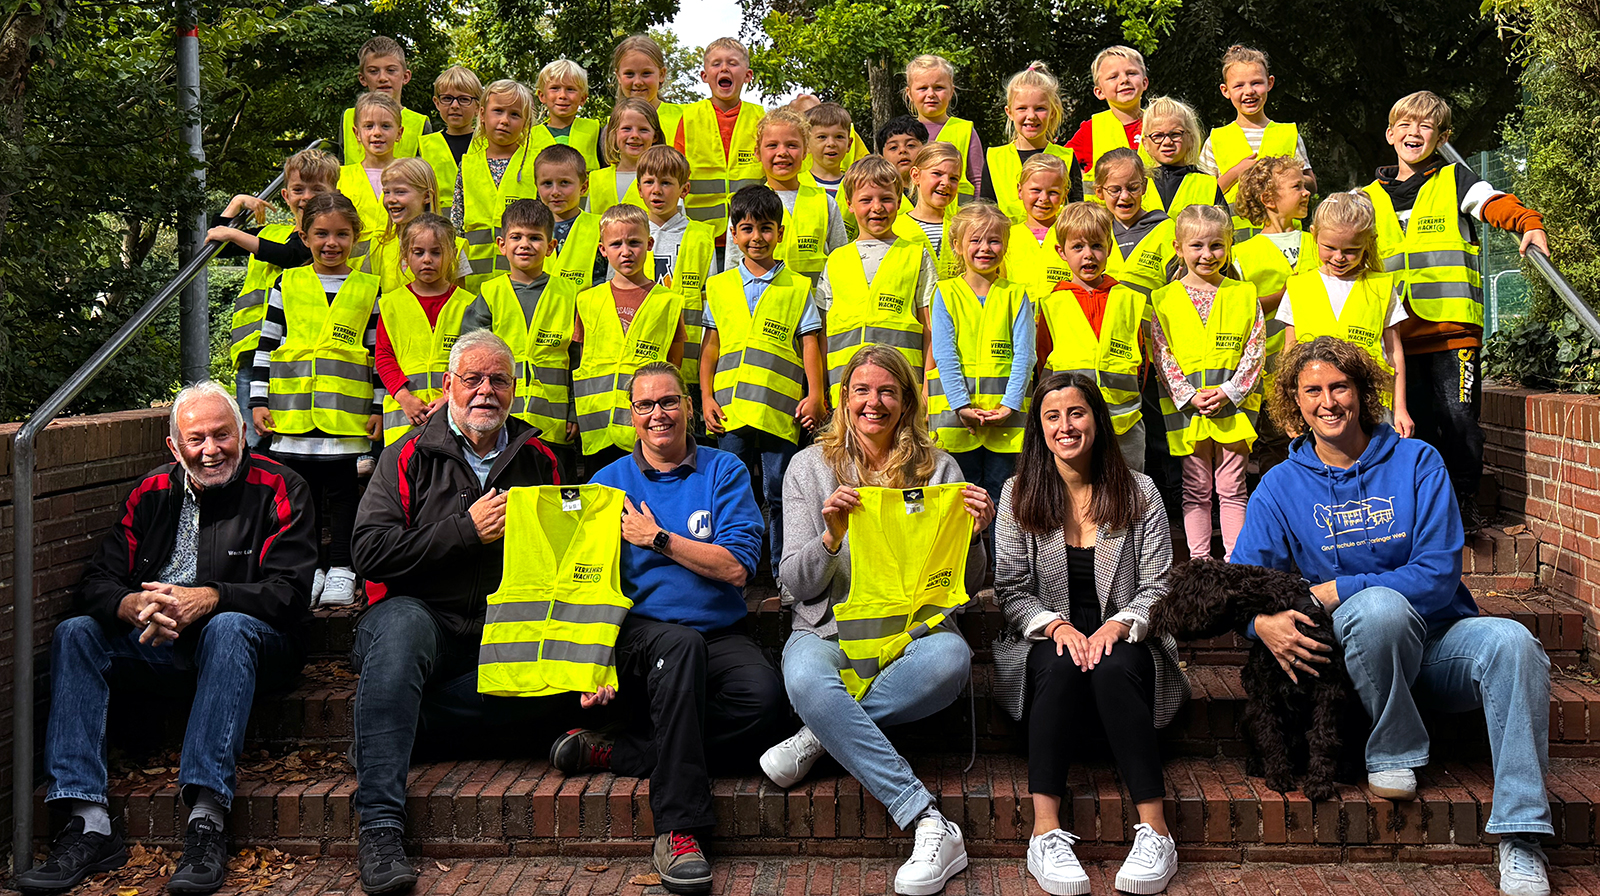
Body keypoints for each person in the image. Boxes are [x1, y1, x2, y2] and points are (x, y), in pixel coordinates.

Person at [1231, 335, 1554, 896]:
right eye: (1312, 391)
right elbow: (1238, 587)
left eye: (1340, 387)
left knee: (1514, 643)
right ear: (1294, 402)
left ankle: (1521, 835)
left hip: (1440, 643)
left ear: (1362, 392)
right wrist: (1260, 625)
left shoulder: (1417, 461)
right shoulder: (1280, 487)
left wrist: (1338, 588)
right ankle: (1394, 749)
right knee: (1377, 609)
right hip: (1361, 659)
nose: (1328, 402)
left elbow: (1437, 574)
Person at [18, 382, 318, 896]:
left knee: (227, 627)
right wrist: (133, 605)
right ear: (174, 447)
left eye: (222, 435)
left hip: (256, 645)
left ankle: (207, 818)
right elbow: (96, 581)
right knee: (76, 633)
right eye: (195, 439)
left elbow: (290, 594)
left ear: (243, 433)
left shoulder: (281, 486)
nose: (210, 450)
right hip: (160, 643)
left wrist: (211, 597)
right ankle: (88, 822)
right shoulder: (152, 491)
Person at [763, 344, 994, 896]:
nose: (875, 402)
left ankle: (819, 735)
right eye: (862, 390)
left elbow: (965, 586)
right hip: (828, 629)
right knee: (805, 677)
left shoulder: (940, 468)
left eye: (888, 391)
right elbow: (795, 582)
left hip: (915, 634)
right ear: (844, 399)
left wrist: (974, 537)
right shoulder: (808, 468)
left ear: (907, 401)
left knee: (952, 658)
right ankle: (924, 816)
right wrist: (830, 538)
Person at [551, 361, 785, 896]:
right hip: (643, 637)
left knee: (765, 704)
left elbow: (738, 567)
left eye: (668, 401)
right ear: (632, 416)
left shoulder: (724, 471)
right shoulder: (607, 484)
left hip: (718, 633)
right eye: (645, 405)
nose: (658, 414)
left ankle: (620, 751)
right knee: (677, 646)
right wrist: (593, 658)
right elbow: (585, 585)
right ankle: (680, 829)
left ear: (688, 407)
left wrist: (657, 539)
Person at [349, 329, 568, 895]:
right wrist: (464, 531)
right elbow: (369, 552)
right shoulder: (406, 455)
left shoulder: (540, 459)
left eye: (498, 380)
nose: (485, 391)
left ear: (514, 389)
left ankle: (399, 727)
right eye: (472, 379)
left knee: (570, 683)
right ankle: (380, 828)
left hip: (501, 631)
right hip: (420, 621)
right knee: (400, 629)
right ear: (448, 385)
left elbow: (563, 558)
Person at [992, 372, 1187, 896]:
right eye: (1052, 416)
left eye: (1076, 413)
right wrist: (1055, 624)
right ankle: (1045, 833)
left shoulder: (1140, 491)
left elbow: (1161, 584)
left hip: (1128, 637)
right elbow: (1010, 587)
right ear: (1039, 427)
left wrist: (1118, 624)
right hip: (1044, 637)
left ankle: (1156, 832)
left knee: (1114, 664)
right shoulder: (1016, 493)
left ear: (1097, 420)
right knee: (1059, 664)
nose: (1066, 426)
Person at [1361, 90, 1549, 532]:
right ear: (1390, 134)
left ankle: (1464, 502)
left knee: (1460, 419)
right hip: (1397, 337)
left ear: (1441, 138)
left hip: (1452, 331)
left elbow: (1495, 203)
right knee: (1415, 426)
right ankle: (1427, 508)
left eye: (1426, 126)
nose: (1414, 132)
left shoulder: (1457, 180)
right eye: (1405, 124)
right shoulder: (1364, 197)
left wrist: (1530, 224)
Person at [249, 192, 384, 607]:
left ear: (355, 237)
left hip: (345, 419)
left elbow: (376, 351)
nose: (331, 243)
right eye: (321, 234)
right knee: (301, 496)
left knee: (343, 496)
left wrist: (378, 407)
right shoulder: (286, 282)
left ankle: (342, 568)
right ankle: (307, 569)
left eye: (342, 234)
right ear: (304, 237)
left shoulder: (368, 288)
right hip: (291, 416)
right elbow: (267, 345)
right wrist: (258, 401)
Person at [701, 184, 827, 574]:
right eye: (747, 229)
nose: (757, 237)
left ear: (780, 233)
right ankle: (736, 566)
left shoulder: (797, 286)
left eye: (766, 228)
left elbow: (810, 344)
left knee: (779, 490)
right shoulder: (719, 287)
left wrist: (816, 395)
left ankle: (783, 572)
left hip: (779, 410)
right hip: (729, 411)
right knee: (733, 489)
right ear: (733, 233)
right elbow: (710, 348)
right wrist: (705, 397)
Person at [1150, 204, 1265, 561]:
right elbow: (1162, 353)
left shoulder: (1244, 293)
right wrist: (1188, 396)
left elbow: (1256, 348)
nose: (1207, 254)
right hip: (1189, 413)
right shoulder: (1164, 299)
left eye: (1216, 245)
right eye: (1197, 245)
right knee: (1196, 488)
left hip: (1234, 410)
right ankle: (1199, 562)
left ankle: (1236, 562)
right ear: (1178, 248)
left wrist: (1229, 392)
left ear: (1229, 246)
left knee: (1233, 487)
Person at [207, 147, 340, 447]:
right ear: (285, 195)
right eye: (298, 190)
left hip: (292, 352)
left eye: (317, 190)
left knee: (285, 432)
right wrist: (236, 203)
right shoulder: (269, 233)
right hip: (253, 348)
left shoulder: (323, 238)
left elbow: (290, 254)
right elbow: (215, 242)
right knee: (253, 437)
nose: (306, 197)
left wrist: (234, 234)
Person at [929, 202, 1035, 529]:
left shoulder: (1016, 295)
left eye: (994, 240)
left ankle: (1004, 559)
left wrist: (1009, 405)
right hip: (956, 423)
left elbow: (1025, 355)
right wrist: (961, 406)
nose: (985, 248)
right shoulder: (945, 293)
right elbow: (945, 355)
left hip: (1006, 424)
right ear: (956, 245)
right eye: (975, 240)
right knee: (959, 508)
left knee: (1005, 507)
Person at [1278, 192, 1412, 433]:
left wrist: (1400, 408)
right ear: (1314, 235)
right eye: (1330, 248)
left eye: (1351, 250)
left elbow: (1394, 353)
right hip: (1318, 408)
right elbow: (1290, 354)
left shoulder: (1381, 286)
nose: (1339, 257)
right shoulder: (1298, 287)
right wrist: (1290, 411)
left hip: (1372, 406)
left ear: (1369, 242)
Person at [573, 204, 687, 473]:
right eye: (616, 244)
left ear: (649, 244)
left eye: (634, 242)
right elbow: (580, 359)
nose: (626, 251)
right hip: (597, 427)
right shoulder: (587, 300)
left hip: (648, 426)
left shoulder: (668, 302)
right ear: (603, 250)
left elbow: (674, 363)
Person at [1036, 202, 1149, 471]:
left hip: (1124, 422)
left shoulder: (1128, 298)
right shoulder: (1052, 303)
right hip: (1071, 426)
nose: (1089, 255)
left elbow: (1142, 362)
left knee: (1128, 485)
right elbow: (1043, 363)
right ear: (1061, 252)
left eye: (1097, 246)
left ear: (1109, 248)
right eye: (1078, 247)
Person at [818, 155, 937, 405]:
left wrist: (928, 389)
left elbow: (930, 328)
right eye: (866, 200)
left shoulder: (916, 255)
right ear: (849, 203)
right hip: (846, 395)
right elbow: (824, 332)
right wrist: (821, 391)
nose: (877, 207)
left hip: (902, 392)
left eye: (886, 199)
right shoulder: (836, 260)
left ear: (899, 201)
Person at [477, 198, 581, 473]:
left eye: (535, 238)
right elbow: (472, 359)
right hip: (500, 424)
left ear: (551, 247)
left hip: (554, 425)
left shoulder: (569, 294)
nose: (525, 244)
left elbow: (578, 360)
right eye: (517, 237)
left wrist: (574, 411)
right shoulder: (490, 293)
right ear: (502, 244)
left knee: (555, 490)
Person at [375, 214, 489, 445]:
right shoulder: (391, 304)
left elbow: (476, 361)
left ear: (452, 255)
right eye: (418, 253)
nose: (427, 260)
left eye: (436, 253)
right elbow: (384, 356)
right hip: (404, 417)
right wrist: (404, 397)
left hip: (456, 416)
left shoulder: (468, 303)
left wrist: (449, 398)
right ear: (405, 255)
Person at [1200, 44, 1316, 236]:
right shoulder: (1216, 140)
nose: (1249, 91)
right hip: (1233, 237)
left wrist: (1285, 179)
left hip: (1285, 236)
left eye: (1256, 83)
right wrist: (1236, 172)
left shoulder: (1288, 134)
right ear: (1225, 90)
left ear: (1270, 83)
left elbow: (1311, 184)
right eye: (1239, 86)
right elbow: (1203, 195)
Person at [724, 109, 849, 279]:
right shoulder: (745, 204)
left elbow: (841, 261)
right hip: (762, 296)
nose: (782, 152)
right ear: (757, 152)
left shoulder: (825, 203)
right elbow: (732, 265)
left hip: (815, 297)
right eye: (772, 145)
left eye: (792, 145)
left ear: (805, 152)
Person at [636, 145, 719, 395]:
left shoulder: (701, 236)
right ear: (639, 189)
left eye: (666, 183)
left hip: (691, 359)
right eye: (649, 182)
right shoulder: (630, 234)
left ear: (684, 189)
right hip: (640, 354)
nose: (657, 190)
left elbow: (712, 303)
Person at [453, 79, 537, 292]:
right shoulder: (468, 165)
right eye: (498, 111)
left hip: (524, 284)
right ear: (482, 114)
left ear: (526, 122)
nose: (504, 120)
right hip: (473, 286)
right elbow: (456, 224)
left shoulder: (536, 165)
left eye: (515, 114)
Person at [681, 37, 764, 245]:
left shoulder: (761, 118)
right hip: (699, 234)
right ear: (704, 76)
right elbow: (674, 172)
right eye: (716, 64)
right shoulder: (689, 117)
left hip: (751, 236)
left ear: (748, 76)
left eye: (732, 63)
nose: (724, 68)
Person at [982, 62, 1075, 221]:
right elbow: (984, 215)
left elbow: (1077, 216)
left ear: (1052, 112)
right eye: (1022, 108)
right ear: (1009, 112)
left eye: (1040, 108)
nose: (1031, 116)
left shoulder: (1067, 158)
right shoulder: (994, 158)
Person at [363, 158, 470, 293]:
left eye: (400, 192)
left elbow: (461, 298)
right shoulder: (380, 245)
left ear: (426, 196)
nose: (391, 199)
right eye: (387, 192)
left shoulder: (453, 246)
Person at [1065, 47, 1150, 196]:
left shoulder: (1160, 124)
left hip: (1156, 211)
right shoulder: (1092, 129)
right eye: (1113, 77)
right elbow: (1059, 165)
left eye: (1131, 73)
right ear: (1099, 92)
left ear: (1144, 82)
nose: (1124, 80)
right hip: (1104, 211)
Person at [336, 92, 405, 271]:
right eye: (369, 126)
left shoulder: (410, 176)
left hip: (400, 273)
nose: (377, 133)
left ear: (399, 133)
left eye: (386, 126)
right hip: (353, 273)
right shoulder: (340, 177)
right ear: (357, 133)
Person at [904, 54, 984, 200]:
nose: (931, 94)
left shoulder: (965, 130)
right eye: (922, 88)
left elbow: (978, 181)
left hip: (958, 213)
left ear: (951, 91)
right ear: (909, 93)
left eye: (938, 88)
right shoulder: (902, 134)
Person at [339, 36, 429, 166]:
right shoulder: (349, 117)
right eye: (373, 71)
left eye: (391, 70)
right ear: (362, 78)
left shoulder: (420, 123)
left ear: (405, 76)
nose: (382, 78)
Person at [1141, 96, 1226, 217]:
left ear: (1190, 139)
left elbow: (1225, 227)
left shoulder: (1207, 184)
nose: (1167, 142)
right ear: (1145, 144)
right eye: (1158, 136)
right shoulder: (1137, 184)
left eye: (1175, 134)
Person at [538, 143, 607, 289]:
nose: (555, 192)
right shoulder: (530, 229)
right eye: (547, 183)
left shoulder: (601, 228)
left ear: (583, 187)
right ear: (537, 187)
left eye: (564, 183)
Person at [1003, 153, 1072, 299]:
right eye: (1036, 190)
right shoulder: (1006, 237)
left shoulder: (1072, 235)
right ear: (1020, 191)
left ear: (1064, 196)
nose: (1043, 198)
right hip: (1018, 312)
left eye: (1053, 192)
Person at [893, 142, 962, 280]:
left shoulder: (962, 227)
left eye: (953, 178)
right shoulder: (895, 227)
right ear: (915, 175)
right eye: (937, 174)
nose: (946, 183)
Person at [610, 33, 686, 157]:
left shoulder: (685, 118)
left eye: (646, 73)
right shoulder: (612, 126)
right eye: (629, 74)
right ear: (618, 76)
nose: (638, 82)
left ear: (662, 74)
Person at [420, 64, 482, 212]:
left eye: (464, 99)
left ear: (478, 107)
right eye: (447, 98)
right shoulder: (425, 145)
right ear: (437, 103)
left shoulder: (488, 144)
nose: (454, 105)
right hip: (438, 219)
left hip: (479, 220)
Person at [588, 98, 660, 216]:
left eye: (643, 130)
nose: (635, 135)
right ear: (614, 133)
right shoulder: (596, 179)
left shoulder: (663, 178)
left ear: (655, 136)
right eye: (627, 129)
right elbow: (588, 222)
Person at [526, 59, 601, 171]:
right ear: (542, 96)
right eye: (555, 88)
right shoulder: (530, 136)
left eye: (570, 89)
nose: (562, 95)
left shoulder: (596, 131)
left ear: (583, 99)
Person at [802, 101, 858, 208]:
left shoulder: (857, 185)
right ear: (806, 144)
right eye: (822, 137)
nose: (831, 143)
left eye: (839, 137)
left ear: (849, 144)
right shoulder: (795, 184)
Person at [875, 115, 929, 204]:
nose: (902, 150)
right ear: (882, 158)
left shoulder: (937, 190)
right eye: (893, 147)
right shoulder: (877, 196)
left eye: (910, 145)